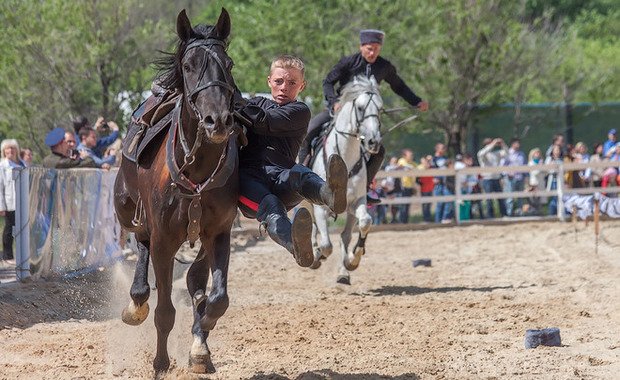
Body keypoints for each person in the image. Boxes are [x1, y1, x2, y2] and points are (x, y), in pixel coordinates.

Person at [235, 55, 347, 268]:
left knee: (300, 174)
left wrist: (237, 106)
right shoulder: (256, 103)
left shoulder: (300, 111)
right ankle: (296, 245)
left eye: (292, 83)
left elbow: (264, 122)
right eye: (279, 81)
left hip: (282, 177)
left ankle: (329, 194)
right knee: (272, 206)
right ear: (269, 81)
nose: (284, 87)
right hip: (248, 182)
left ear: (302, 86)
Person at [298, 29, 429, 203]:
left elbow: (399, 86)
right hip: (340, 111)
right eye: (369, 48)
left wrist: (416, 101)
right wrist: (334, 102)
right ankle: (301, 177)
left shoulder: (384, 66)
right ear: (361, 47)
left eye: (376, 48)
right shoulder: (348, 62)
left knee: (379, 151)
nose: (373, 52)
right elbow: (328, 81)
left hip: (365, 117)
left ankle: (365, 188)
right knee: (308, 132)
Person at [0, 139, 27, 260]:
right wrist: (1, 206)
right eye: (7, 148)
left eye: (12, 148)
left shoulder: (22, 164)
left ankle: (23, 256)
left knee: (23, 229)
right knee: (9, 229)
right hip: (10, 202)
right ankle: (8, 255)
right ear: (3, 151)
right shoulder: (2, 166)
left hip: (24, 202)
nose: (10, 151)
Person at [477, 137, 508, 218]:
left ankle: (504, 214)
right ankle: (490, 216)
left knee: (501, 198)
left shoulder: (496, 153)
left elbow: (507, 153)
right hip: (487, 179)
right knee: (489, 199)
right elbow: (483, 153)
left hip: (497, 178)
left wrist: (503, 144)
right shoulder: (481, 153)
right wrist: (493, 144)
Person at [501, 138, 526, 216]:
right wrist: (507, 173)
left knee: (520, 198)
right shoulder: (507, 154)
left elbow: (524, 165)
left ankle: (520, 213)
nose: (518, 145)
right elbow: (502, 166)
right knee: (509, 198)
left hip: (520, 178)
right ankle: (509, 214)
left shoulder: (522, 154)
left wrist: (525, 176)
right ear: (512, 144)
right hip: (510, 179)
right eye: (516, 143)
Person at [397, 148, 415, 223]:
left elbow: (416, 169)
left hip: (410, 186)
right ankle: (402, 221)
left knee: (407, 205)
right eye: (410, 155)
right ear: (405, 156)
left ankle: (405, 221)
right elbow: (402, 167)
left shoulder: (412, 163)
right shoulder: (401, 161)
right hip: (403, 186)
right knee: (403, 205)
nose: (411, 156)